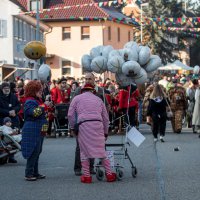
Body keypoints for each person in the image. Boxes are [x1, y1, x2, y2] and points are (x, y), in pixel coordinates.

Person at [68, 83, 116, 183]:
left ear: (83, 90)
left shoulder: (76, 98)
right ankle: (109, 175)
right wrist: (105, 132)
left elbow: (70, 115)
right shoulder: (98, 100)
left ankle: (87, 176)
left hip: (83, 125)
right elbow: (106, 118)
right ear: (92, 91)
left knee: (84, 151)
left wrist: (73, 127)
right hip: (98, 125)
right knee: (102, 151)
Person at [71, 72, 107, 176]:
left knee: (93, 145)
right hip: (81, 122)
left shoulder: (100, 91)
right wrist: (73, 126)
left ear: (94, 80)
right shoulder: (78, 90)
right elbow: (72, 108)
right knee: (80, 146)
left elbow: (105, 106)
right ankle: (78, 168)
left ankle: (90, 167)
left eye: (89, 79)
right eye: (86, 79)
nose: (87, 81)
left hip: (95, 122)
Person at [21, 81, 48, 181]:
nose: (41, 91)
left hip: (39, 129)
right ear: (33, 91)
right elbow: (34, 113)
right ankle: (29, 173)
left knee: (37, 152)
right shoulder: (29, 101)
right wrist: (44, 106)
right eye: (38, 90)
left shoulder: (37, 101)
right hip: (32, 129)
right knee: (33, 151)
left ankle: (35, 172)